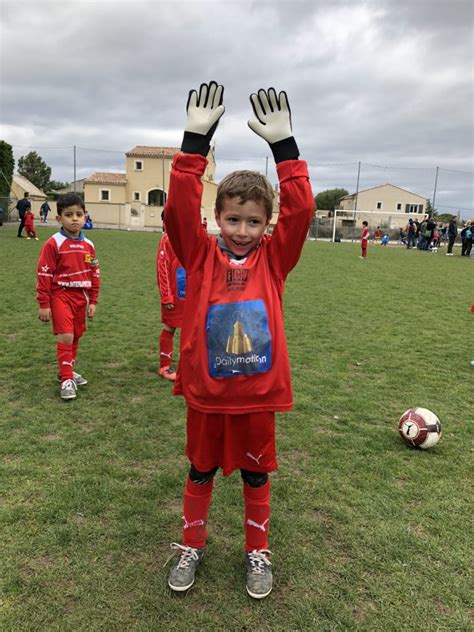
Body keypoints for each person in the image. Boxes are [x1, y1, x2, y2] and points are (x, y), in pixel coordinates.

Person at [163, 82, 314, 599]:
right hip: (208, 394)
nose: (243, 229)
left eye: (254, 221)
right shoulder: (200, 255)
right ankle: (191, 545)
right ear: (217, 218)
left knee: (255, 478)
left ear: (267, 223)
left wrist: (285, 151)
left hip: (256, 398)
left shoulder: (275, 260)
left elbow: (301, 212)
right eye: (233, 219)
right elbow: (177, 213)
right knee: (200, 469)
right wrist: (193, 144)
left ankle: (257, 553)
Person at [36, 193, 100, 400]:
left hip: (82, 297)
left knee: (77, 335)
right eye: (68, 214)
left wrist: (94, 300)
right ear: (59, 219)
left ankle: (67, 371)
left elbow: (94, 273)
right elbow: (44, 274)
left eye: (79, 214)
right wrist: (44, 303)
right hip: (60, 294)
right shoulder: (53, 243)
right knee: (66, 335)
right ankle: (66, 379)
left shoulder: (89, 245)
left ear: (85, 217)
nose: (74, 219)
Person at [156, 223, 186, 381]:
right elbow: (162, 267)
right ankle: (165, 366)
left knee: (191, 330)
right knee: (170, 327)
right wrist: (166, 296)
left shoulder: (191, 237)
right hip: (175, 295)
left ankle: (187, 365)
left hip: (192, 294)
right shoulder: (167, 239)